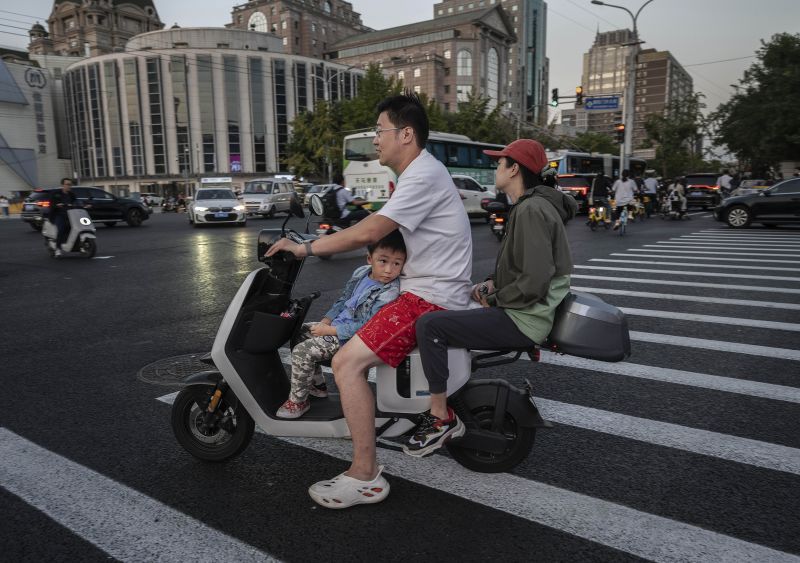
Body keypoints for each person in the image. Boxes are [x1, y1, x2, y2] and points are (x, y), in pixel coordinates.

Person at [265, 92, 473, 509]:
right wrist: (317, 240)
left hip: (429, 298)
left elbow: (367, 233)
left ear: (406, 134)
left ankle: (365, 476)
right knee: (343, 343)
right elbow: (374, 228)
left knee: (347, 361)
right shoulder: (419, 175)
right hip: (423, 289)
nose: (375, 139)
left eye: (380, 131)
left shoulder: (424, 175)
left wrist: (306, 249)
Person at [405, 139, 577, 457]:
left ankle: (440, 415)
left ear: (514, 169)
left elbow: (533, 282)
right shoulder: (534, 207)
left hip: (523, 318)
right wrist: (488, 287)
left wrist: (494, 299)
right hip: (526, 311)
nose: (495, 168)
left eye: (500, 163)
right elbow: (522, 270)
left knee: (430, 325)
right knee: (450, 313)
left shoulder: (531, 210)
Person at [276, 231, 406, 418]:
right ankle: (318, 385)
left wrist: (330, 330)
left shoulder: (388, 292)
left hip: (354, 338)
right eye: (383, 261)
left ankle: (298, 401)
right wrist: (326, 320)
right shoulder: (361, 274)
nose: (389, 270)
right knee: (300, 331)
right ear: (370, 259)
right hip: (338, 326)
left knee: (303, 351)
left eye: (397, 263)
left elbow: (367, 325)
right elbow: (344, 299)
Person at [49, 178, 81, 257]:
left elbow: (76, 202)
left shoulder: (72, 194)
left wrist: (84, 205)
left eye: (70, 184)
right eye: (67, 184)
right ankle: (58, 249)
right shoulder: (56, 194)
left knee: (78, 227)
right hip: (58, 215)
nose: (69, 186)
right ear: (63, 185)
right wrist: (57, 205)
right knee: (61, 228)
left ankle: (78, 245)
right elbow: (51, 204)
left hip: (71, 215)